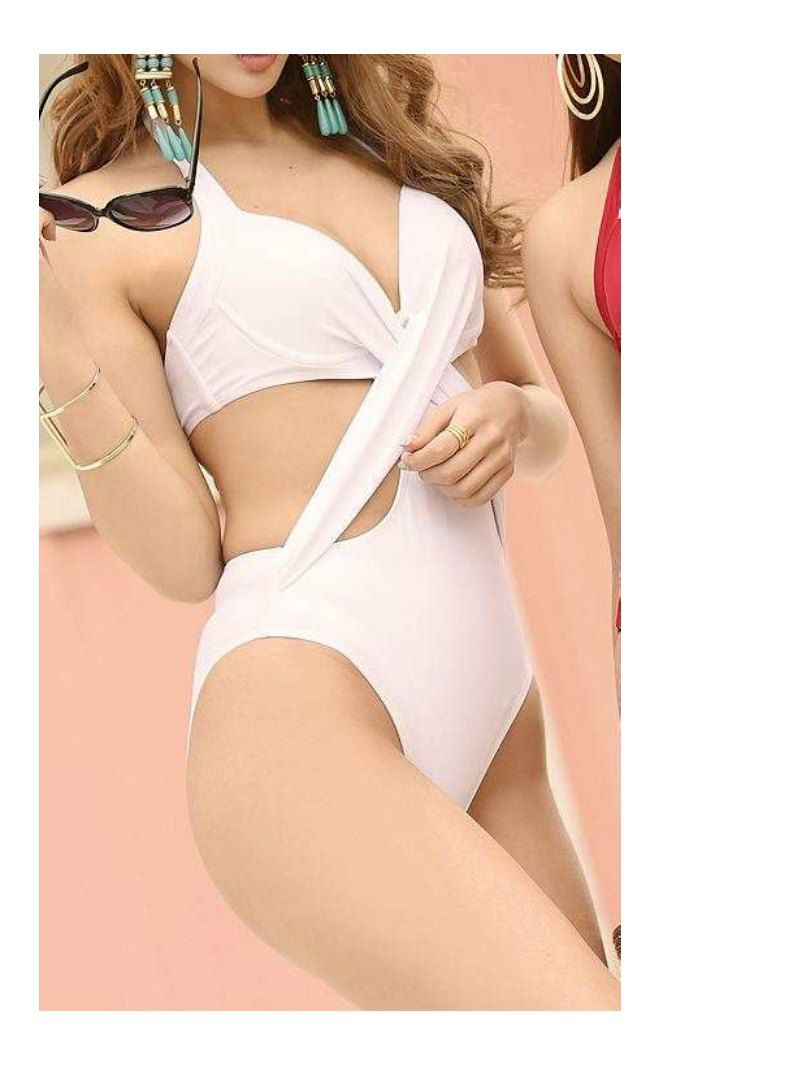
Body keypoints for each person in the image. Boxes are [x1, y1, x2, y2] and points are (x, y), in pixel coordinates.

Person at [39, 54, 619, 1009]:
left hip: (499, 719)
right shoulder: (99, 226)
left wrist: (513, 416)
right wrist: (53, 350)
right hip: (303, 703)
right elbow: (183, 558)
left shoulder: (396, 154)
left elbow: (543, 419)